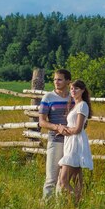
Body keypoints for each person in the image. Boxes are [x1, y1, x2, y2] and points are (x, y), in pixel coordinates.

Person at [38, 68, 73, 200]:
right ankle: (45, 206)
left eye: (60, 79)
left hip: (71, 142)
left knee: (63, 179)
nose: (56, 82)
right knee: (51, 178)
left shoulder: (73, 97)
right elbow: (42, 122)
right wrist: (57, 127)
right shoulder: (48, 97)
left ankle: (59, 208)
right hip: (55, 141)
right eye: (54, 79)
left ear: (68, 81)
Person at [58, 79, 93, 200]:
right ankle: (78, 205)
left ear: (82, 90)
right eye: (72, 88)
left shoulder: (82, 105)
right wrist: (64, 130)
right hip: (71, 142)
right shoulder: (76, 106)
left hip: (76, 144)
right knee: (76, 180)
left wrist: (64, 130)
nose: (73, 90)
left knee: (63, 182)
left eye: (76, 88)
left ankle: (77, 203)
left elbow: (78, 129)